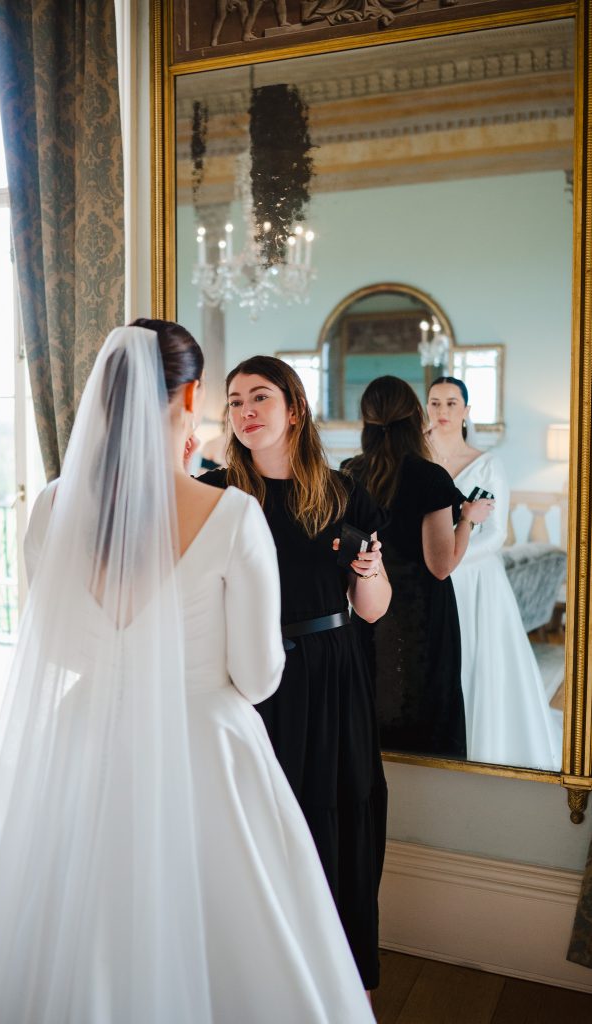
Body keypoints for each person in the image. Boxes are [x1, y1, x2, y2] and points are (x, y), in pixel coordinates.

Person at [0, 322, 376, 1024]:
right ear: (190, 393)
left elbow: (58, 646)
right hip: (207, 744)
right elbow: (256, 676)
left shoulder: (54, 504)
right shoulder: (230, 512)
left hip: (88, 728)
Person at [200, 354, 391, 993]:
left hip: (334, 672)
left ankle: (332, 974)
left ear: (294, 408)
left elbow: (371, 609)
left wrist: (369, 573)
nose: (246, 412)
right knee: (259, 816)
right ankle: (258, 978)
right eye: (234, 402)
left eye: (260, 397)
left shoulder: (344, 492)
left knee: (335, 806)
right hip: (249, 678)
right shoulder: (214, 492)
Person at [343, 375, 493, 761]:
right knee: (427, 717)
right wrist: (468, 521)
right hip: (423, 616)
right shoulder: (428, 477)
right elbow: (441, 565)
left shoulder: (349, 474)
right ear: (415, 418)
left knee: (376, 708)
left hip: (369, 609)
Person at [427, 375, 562, 770]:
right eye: (435, 403)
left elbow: (498, 533)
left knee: (476, 659)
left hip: (474, 580)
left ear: (467, 412)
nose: (443, 411)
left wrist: (450, 557)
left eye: (452, 403)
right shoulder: (418, 463)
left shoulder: (487, 465)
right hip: (432, 577)